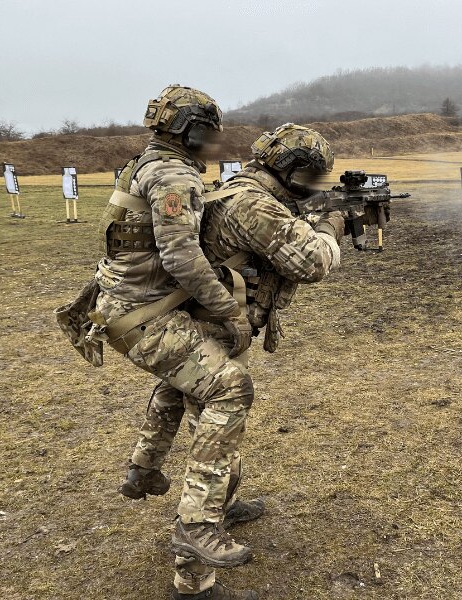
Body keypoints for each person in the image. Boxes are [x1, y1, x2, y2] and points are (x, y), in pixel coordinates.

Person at [86, 84, 261, 600]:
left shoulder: (143, 162)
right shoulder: (174, 174)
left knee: (187, 379)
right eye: (209, 133)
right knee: (229, 387)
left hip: (131, 305)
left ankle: (144, 469)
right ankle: (199, 525)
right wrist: (231, 311)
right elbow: (182, 256)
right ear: (193, 131)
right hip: (143, 315)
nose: (213, 143)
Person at [165, 123, 345, 599]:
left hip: (213, 330)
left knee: (220, 436)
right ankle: (193, 578)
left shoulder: (244, 191)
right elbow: (312, 263)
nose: (314, 185)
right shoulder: (252, 203)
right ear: (289, 170)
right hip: (204, 338)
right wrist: (331, 228)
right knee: (213, 445)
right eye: (310, 175)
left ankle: (225, 506)